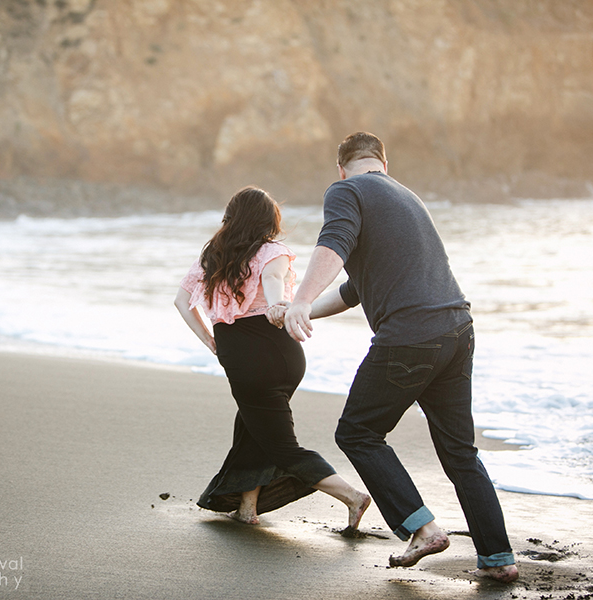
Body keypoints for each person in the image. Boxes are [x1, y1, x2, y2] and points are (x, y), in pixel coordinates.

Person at [281, 132, 519, 583]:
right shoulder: (404, 197)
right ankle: (498, 559)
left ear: (341, 168)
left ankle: (422, 527)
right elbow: (355, 290)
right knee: (460, 453)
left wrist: (297, 297)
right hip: (457, 330)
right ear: (383, 164)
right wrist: (304, 308)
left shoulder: (346, 190)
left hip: (412, 335)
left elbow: (333, 242)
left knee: (357, 431)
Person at [174, 186, 371, 529]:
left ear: (231, 217)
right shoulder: (272, 250)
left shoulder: (213, 256)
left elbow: (182, 300)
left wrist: (210, 339)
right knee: (252, 426)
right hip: (281, 353)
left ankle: (352, 496)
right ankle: (247, 508)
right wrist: (276, 306)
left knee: (281, 445)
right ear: (269, 220)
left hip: (248, 358)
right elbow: (272, 278)